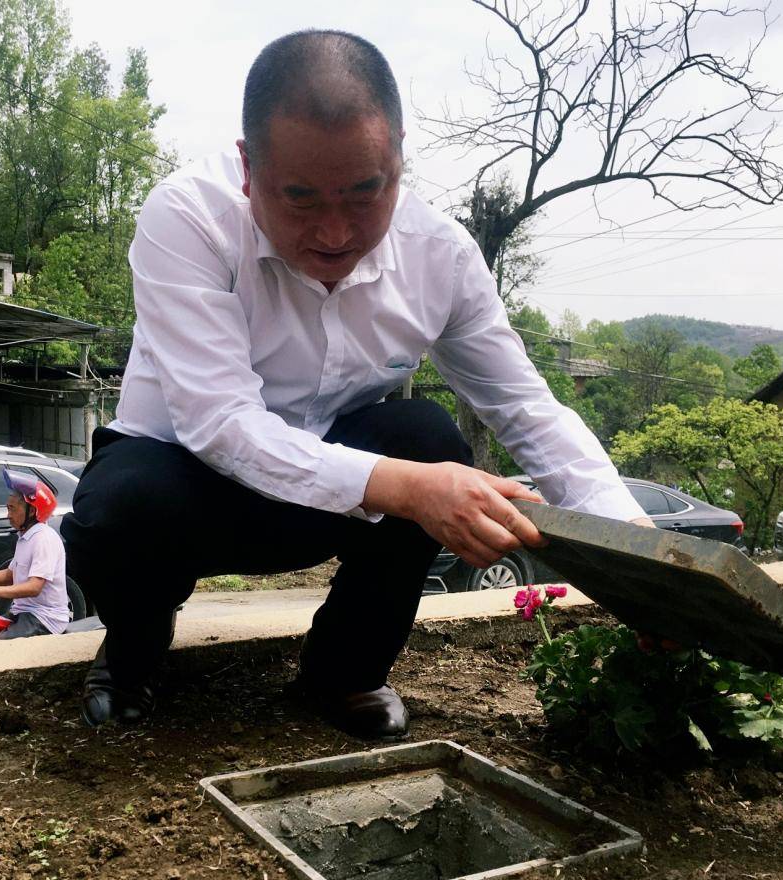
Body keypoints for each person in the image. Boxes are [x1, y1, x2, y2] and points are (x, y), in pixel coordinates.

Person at [61, 29, 649, 738]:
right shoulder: (187, 217)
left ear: (398, 160)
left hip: (328, 496)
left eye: (366, 194)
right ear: (249, 170)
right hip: (183, 486)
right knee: (123, 505)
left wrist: (641, 554)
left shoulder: (439, 255)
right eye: (300, 200)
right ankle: (135, 645)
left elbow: (523, 406)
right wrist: (410, 488)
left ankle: (341, 675)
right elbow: (218, 423)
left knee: (427, 439)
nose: (336, 233)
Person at [0, 469, 70, 640]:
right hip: (22, 612)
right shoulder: (25, 536)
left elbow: (33, 587)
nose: (8, 515)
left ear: (31, 511)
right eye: (7, 508)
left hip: (44, 618)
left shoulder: (43, 539)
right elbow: (10, 575)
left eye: (12, 509)